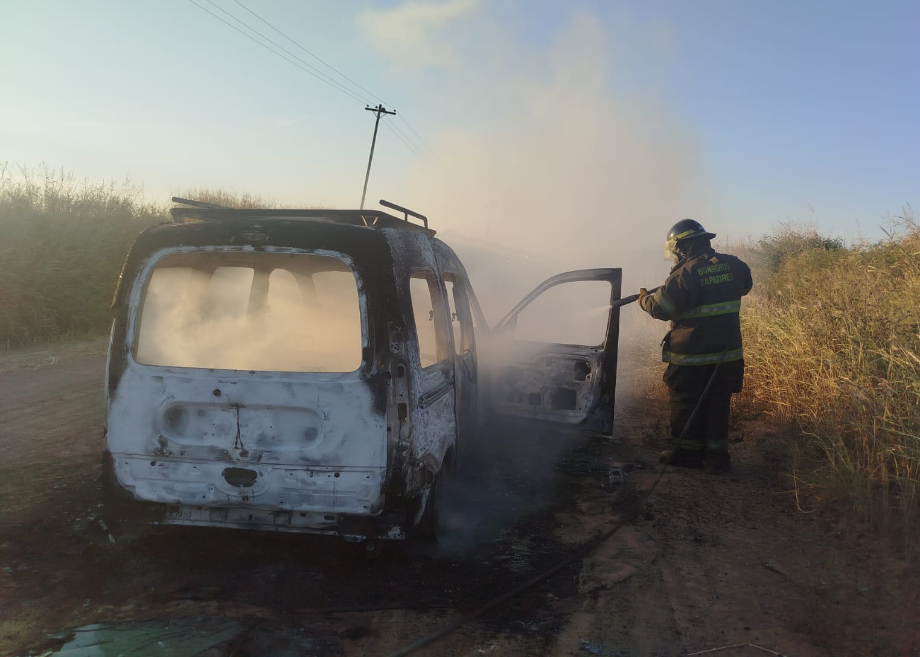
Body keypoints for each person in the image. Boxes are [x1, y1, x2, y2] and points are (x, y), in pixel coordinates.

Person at [638, 219, 753, 473]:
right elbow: (744, 287)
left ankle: (687, 455)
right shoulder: (735, 265)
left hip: (690, 357)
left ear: (682, 246)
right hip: (726, 356)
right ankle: (717, 458)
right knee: (718, 404)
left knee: (686, 404)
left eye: (676, 251)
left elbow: (661, 308)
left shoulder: (684, 274)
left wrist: (643, 299)